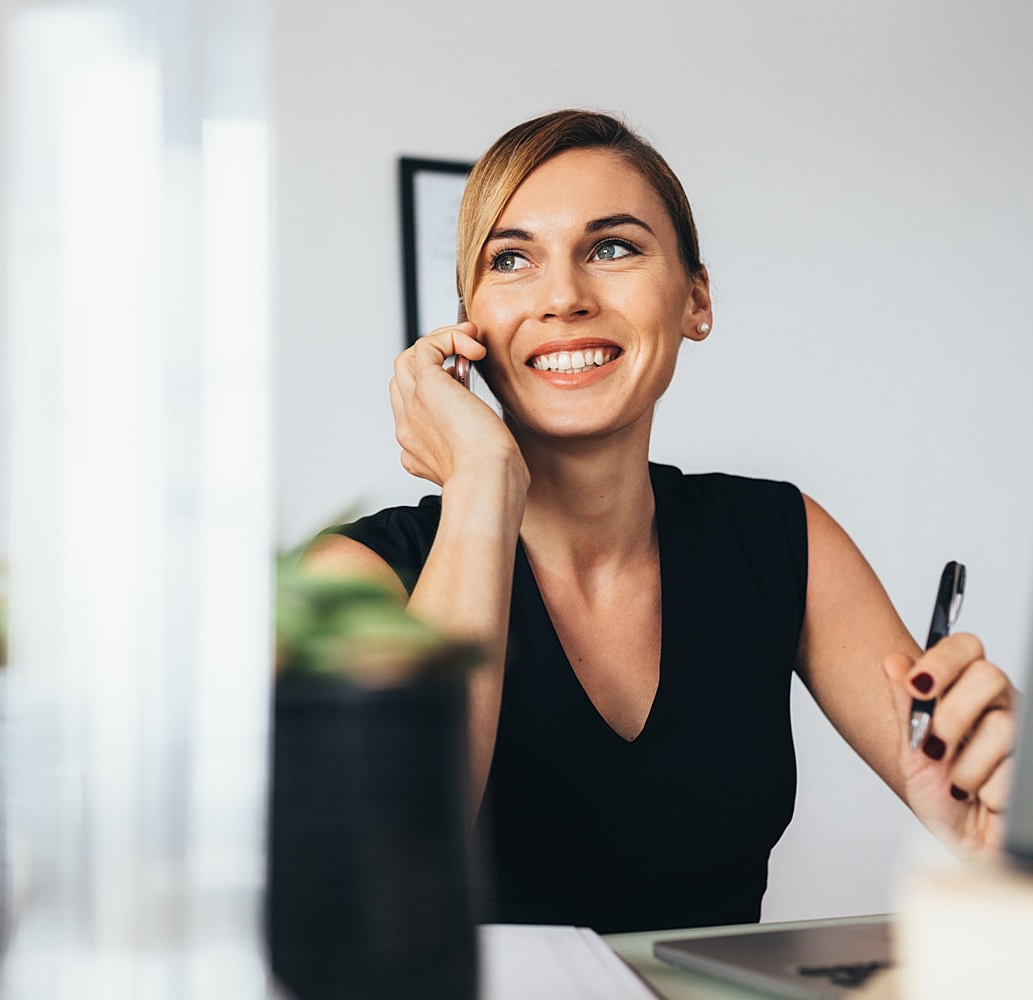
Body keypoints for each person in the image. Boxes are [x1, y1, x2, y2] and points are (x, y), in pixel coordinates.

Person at [301, 110, 1019, 934]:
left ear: (696, 298)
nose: (564, 297)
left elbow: (987, 813)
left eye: (613, 247)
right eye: (511, 260)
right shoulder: (354, 578)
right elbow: (382, 878)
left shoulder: (781, 539)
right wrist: (481, 480)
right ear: (470, 325)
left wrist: (999, 820)